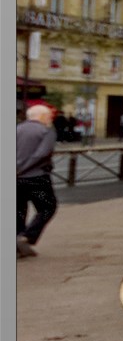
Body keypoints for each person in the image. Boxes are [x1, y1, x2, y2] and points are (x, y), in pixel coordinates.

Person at [16, 102, 58, 259]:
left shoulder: (16, 129)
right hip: (36, 177)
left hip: (16, 179)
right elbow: (42, 154)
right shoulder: (46, 131)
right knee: (48, 207)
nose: (50, 119)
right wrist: (22, 168)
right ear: (41, 116)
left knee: (18, 210)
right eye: (49, 116)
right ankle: (27, 237)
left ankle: (18, 245)